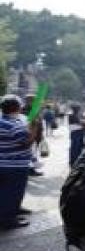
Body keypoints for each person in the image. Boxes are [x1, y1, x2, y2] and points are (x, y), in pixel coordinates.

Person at [0, 95, 36, 229]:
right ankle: (7, 220)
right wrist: (34, 127)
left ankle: (10, 211)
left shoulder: (5, 121)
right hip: (14, 166)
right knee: (13, 192)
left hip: (3, 164)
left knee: (4, 191)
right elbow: (27, 143)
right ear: (17, 108)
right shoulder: (14, 125)